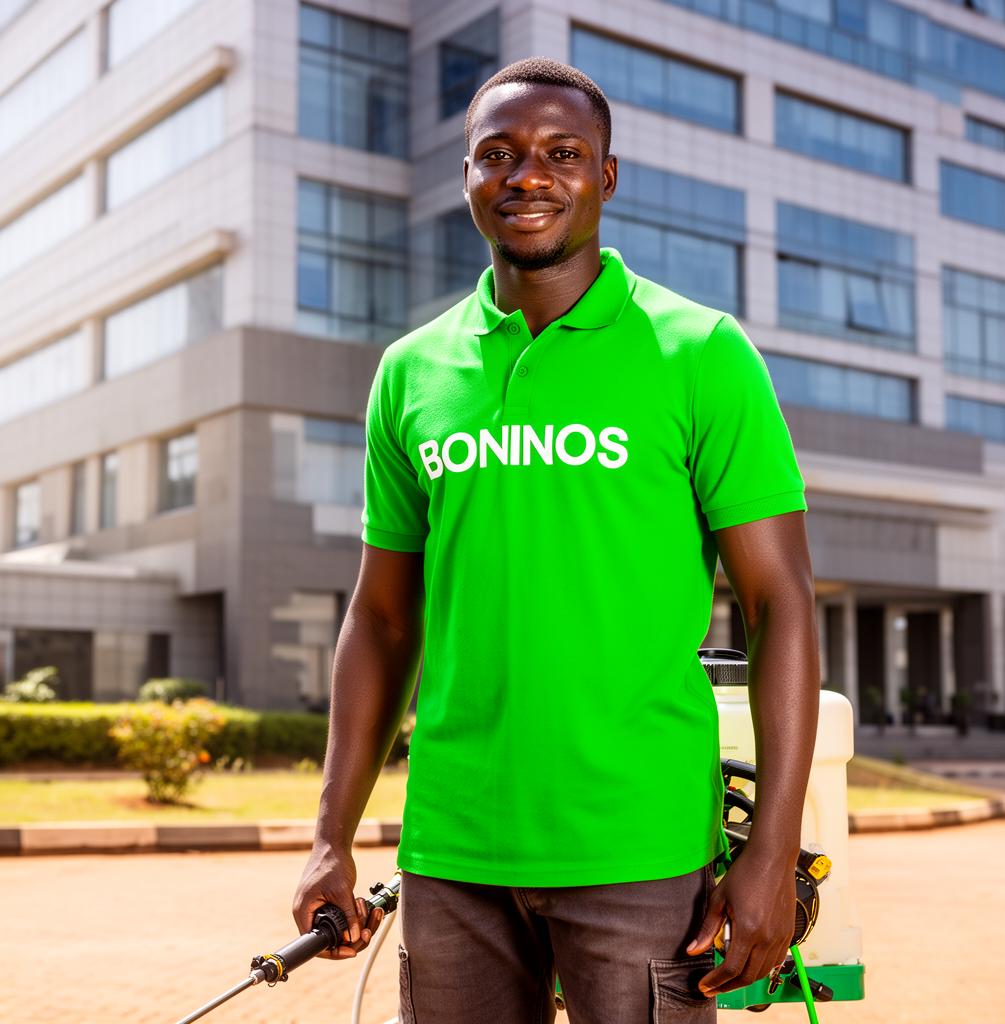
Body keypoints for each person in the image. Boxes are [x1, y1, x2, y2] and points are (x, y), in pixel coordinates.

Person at [293, 57, 820, 1023]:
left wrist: (770, 856)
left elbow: (782, 604)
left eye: (562, 153)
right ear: (467, 178)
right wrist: (333, 835)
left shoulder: (699, 351)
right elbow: (378, 618)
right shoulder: (410, 372)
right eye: (498, 154)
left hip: (638, 850)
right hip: (453, 851)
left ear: (605, 178)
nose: (527, 176)